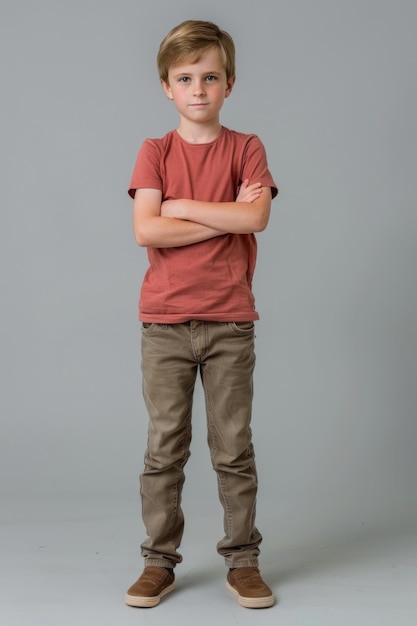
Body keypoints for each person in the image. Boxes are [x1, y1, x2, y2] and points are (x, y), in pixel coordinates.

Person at [125, 19, 278, 609]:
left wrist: (180, 206)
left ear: (229, 84)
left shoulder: (247, 148)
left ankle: (243, 560)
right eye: (185, 78)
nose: (198, 89)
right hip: (164, 322)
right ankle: (158, 562)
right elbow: (146, 228)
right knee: (164, 447)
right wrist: (215, 210)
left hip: (230, 320)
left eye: (210, 77)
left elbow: (256, 219)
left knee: (233, 446)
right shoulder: (154, 151)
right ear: (167, 85)